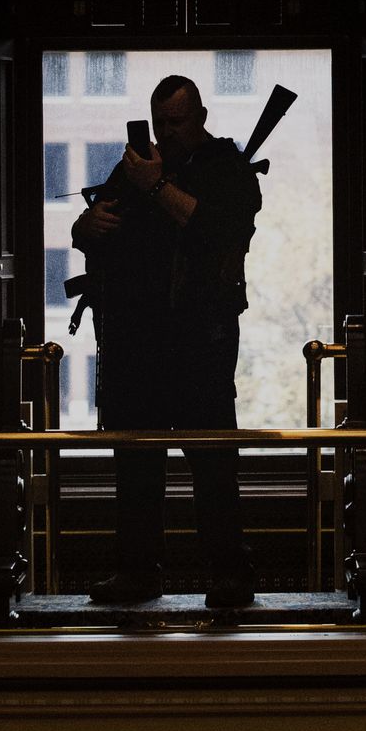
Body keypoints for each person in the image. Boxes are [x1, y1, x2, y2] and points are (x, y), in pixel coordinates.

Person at [71, 75, 262, 607]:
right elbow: (92, 226)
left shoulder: (228, 169)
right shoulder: (134, 166)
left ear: (201, 114)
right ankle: (137, 572)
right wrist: (87, 227)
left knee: (214, 462)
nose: (167, 133)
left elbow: (214, 229)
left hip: (200, 338)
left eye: (176, 122)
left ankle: (228, 574)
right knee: (135, 462)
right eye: (160, 123)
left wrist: (155, 186)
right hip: (137, 339)